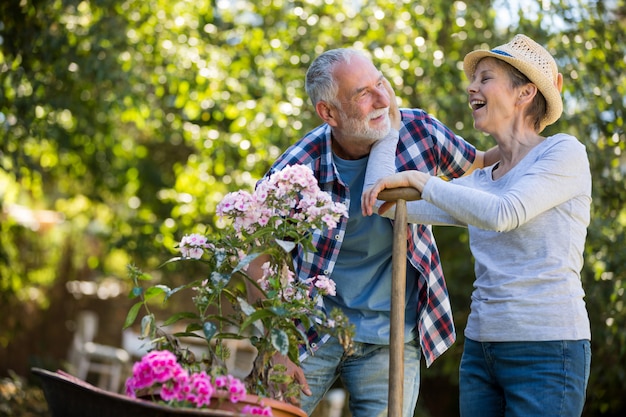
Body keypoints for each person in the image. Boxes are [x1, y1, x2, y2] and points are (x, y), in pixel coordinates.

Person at [254, 48, 499, 417]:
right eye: (363, 94)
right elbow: (257, 257)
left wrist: (536, 147)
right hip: (309, 331)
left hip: (391, 336)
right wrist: (276, 346)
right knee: (264, 414)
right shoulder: (298, 168)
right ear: (328, 113)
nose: (383, 99)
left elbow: (480, 166)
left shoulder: (419, 132)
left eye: (380, 83)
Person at [362, 34, 592, 417]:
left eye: (486, 78)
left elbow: (504, 214)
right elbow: (383, 203)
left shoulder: (563, 153)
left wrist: (424, 182)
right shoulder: (480, 183)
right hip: (481, 351)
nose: (472, 87)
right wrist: (389, 127)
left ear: (525, 93)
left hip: (548, 348)